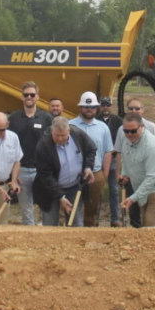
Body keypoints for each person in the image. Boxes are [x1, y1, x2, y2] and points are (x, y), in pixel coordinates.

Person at [33, 117, 95, 226]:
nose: (60, 139)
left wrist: (88, 167)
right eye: (57, 136)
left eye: (63, 136)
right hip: (49, 191)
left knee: (76, 223)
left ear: (69, 131)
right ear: (52, 131)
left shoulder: (78, 135)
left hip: (74, 187)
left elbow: (91, 149)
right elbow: (45, 176)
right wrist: (61, 197)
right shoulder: (43, 146)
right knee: (50, 224)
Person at [118, 113, 155, 227]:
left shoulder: (151, 146)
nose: (129, 134)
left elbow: (152, 177)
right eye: (126, 131)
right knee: (145, 224)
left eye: (133, 131)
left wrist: (132, 198)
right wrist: (124, 174)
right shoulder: (126, 138)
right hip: (141, 185)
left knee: (151, 226)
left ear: (141, 127)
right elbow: (126, 157)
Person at [9, 82, 53, 225]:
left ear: (37, 97)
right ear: (22, 97)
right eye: (26, 95)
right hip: (21, 170)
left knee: (45, 206)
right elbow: (9, 146)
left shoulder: (46, 118)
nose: (29, 97)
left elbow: (52, 144)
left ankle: (45, 234)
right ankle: (30, 234)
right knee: (26, 209)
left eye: (32, 95)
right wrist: (13, 175)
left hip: (40, 170)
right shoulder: (14, 118)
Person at [113, 98, 155, 227]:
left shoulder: (151, 127)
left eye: (137, 108)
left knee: (148, 209)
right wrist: (119, 174)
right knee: (133, 209)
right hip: (130, 175)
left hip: (147, 174)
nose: (134, 111)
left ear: (143, 110)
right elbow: (119, 153)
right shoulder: (121, 129)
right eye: (131, 108)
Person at [69, 92, 114, 227]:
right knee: (71, 208)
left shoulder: (103, 127)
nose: (89, 109)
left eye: (93, 107)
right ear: (80, 108)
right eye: (86, 106)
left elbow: (108, 151)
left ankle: (90, 233)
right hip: (74, 174)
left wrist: (104, 174)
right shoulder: (70, 126)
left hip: (96, 173)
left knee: (92, 209)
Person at [100, 96, 123, 226]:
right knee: (98, 190)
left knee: (114, 190)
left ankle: (115, 219)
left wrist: (114, 151)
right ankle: (95, 218)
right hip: (99, 160)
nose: (105, 107)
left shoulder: (117, 120)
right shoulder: (96, 120)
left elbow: (121, 139)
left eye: (107, 105)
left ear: (111, 106)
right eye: (103, 105)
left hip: (113, 159)